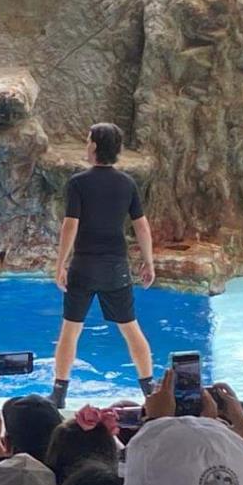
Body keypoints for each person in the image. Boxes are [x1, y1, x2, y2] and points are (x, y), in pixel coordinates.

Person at [50, 123, 156, 408]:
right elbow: (142, 227)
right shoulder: (127, 183)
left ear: (95, 146)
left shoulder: (78, 183)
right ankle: (150, 391)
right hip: (116, 269)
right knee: (131, 329)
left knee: (70, 331)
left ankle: (59, 394)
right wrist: (148, 262)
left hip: (84, 267)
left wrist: (61, 263)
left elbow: (70, 226)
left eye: (87, 141)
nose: (86, 146)